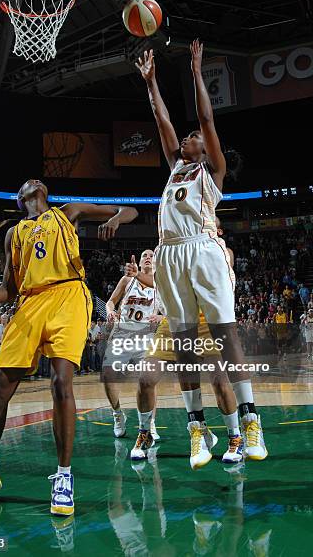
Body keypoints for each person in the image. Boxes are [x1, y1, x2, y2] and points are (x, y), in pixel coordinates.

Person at [0, 178, 138, 515]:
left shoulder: (69, 212)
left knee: (61, 382)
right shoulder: (15, 234)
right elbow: (8, 289)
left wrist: (115, 219)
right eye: (26, 183)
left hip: (68, 296)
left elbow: (130, 209)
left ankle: (64, 477)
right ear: (21, 198)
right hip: (31, 303)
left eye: (38, 180)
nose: (34, 180)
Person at [135, 42, 267, 464]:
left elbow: (206, 117)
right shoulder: (176, 166)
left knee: (226, 336)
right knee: (185, 344)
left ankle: (250, 421)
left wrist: (195, 72)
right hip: (170, 255)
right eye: (189, 137)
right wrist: (151, 81)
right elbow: (162, 118)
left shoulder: (213, 172)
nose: (190, 137)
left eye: (195, 139)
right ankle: (197, 428)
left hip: (202, 249)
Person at [126, 219, 244, 467]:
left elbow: (212, 272)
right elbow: (161, 282)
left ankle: (235, 437)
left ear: (217, 230)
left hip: (208, 320)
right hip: (175, 320)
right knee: (146, 378)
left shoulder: (221, 250)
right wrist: (139, 275)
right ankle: (145, 433)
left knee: (219, 380)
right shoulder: (178, 248)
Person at [103, 250, 160, 441]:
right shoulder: (127, 280)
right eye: (144, 255)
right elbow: (110, 302)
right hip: (122, 333)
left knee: (148, 381)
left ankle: (150, 423)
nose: (148, 257)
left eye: (151, 255)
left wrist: (161, 317)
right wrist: (110, 312)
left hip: (146, 336)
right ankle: (118, 414)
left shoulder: (160, 284)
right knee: (109, 376)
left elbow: (173, 311)